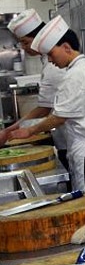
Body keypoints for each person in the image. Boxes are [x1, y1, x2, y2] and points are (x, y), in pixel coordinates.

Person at [9, 16, 85, 191]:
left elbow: (59, 117)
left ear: (66, 47)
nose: (51, 60)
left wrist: (29, 130)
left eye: (51, 54)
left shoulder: (76, 74)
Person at [0, 10, 69, 169]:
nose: (23, 48)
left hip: (76, 140)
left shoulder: (53, 67)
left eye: (25, 42)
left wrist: (9, 131)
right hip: (68, 138)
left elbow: (43, 109)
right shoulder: (49, 62)